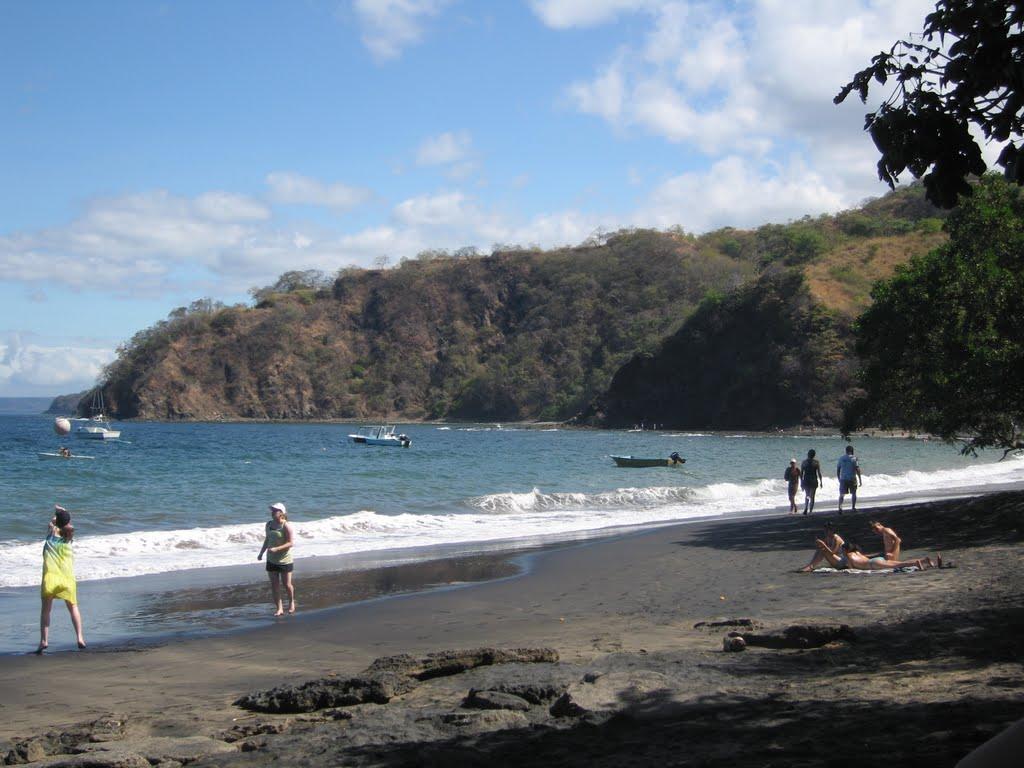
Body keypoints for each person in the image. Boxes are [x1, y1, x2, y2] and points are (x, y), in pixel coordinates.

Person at [37, 505, 85, 653]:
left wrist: (57, 512)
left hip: (50, 578)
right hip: (67, 579)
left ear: (56, 523)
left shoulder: (51, 535)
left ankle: (44, 641)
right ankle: (80, 638)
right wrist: (63, 511)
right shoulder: (69, 538)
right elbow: (65, 522)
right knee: (73, 608)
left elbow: (53, 523)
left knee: (46, 611)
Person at [257, 502, 295, 616]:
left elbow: (291, 543)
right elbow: (267, 540)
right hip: (271, 560)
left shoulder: (286, 526)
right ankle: (279, 608)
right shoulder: (268, 524)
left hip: (285, 560)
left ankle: (291, 602)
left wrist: (277, 549)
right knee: (274, 585)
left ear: (281, 513)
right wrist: (261, 553)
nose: (273, 512)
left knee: (287, 584)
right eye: (272, 510)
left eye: (275, 510)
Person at [816, 540, 938, 571]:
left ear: (846, 550)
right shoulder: (857, 552)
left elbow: (852, 568)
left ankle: (918, 563)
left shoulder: (849, 556)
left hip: (873, 564)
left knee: (899, 565)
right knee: (897, 563)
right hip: (875, 560)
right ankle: (924, 560)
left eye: (843, 550)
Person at [837, 445, 862, 513]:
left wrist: (838, 478)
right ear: (852, 451)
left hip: (843, 478)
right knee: (854, 493)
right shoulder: (854, 458)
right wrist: (860, 479)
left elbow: (838, 469)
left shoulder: (841, 458)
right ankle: (853, 507)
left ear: (846, 451)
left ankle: (840, 508)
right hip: (852, 478)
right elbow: (857, 469)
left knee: (842, 494)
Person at [800, 449, 823, 515]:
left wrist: (801, 482)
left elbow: (801, 474)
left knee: (807, 495)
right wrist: (821, 481)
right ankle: (810, 511)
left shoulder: (804, 462)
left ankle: (806, 508)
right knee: (812, 496)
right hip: (813, 480)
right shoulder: (816, 462)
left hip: (806, 480)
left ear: (808, 454)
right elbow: (819, 473)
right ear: (814, 455)